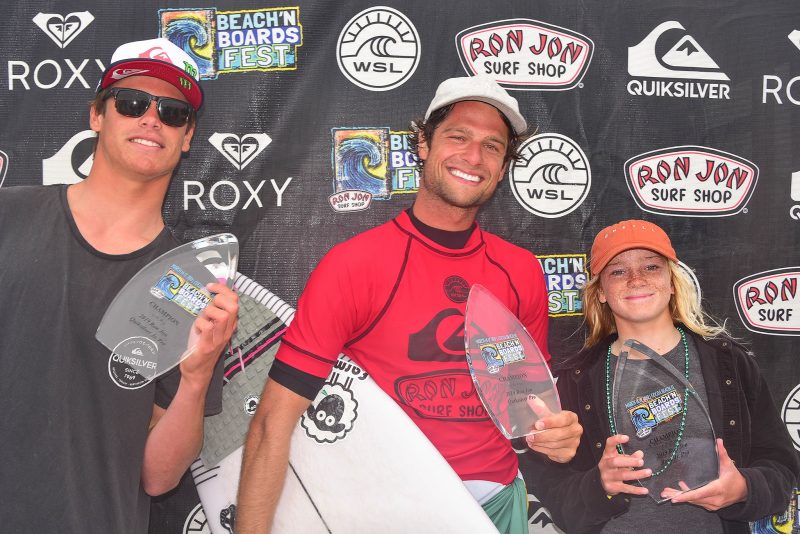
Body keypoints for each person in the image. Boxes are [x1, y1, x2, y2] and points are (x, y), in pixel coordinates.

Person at [237, 76, 582, 533]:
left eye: (492, 147)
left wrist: (555, 436)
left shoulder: (520, 272)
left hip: (496, 506)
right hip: (385, 509)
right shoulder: (354, 265)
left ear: (503, 167)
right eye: (458, 136)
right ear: (423, 143)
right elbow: (272, 423)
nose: (473, 157)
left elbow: (527, 408)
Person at [0, 38, 238, 533]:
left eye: (172, 113)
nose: (152, 119)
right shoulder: (8, 216)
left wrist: (195, 377)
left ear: (187, 136)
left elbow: (158, 476)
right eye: (131, 103)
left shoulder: (191, 283)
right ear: (96, 116)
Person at [531, 220, 799, 533]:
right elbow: (559, 499)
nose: (635, 279)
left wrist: (743, 488)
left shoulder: (729, 364)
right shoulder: (575, 379)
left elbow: (781, 471)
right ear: (601, 291)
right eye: (618, 271)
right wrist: (599, 484)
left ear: (672, 282)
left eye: (651, 267)